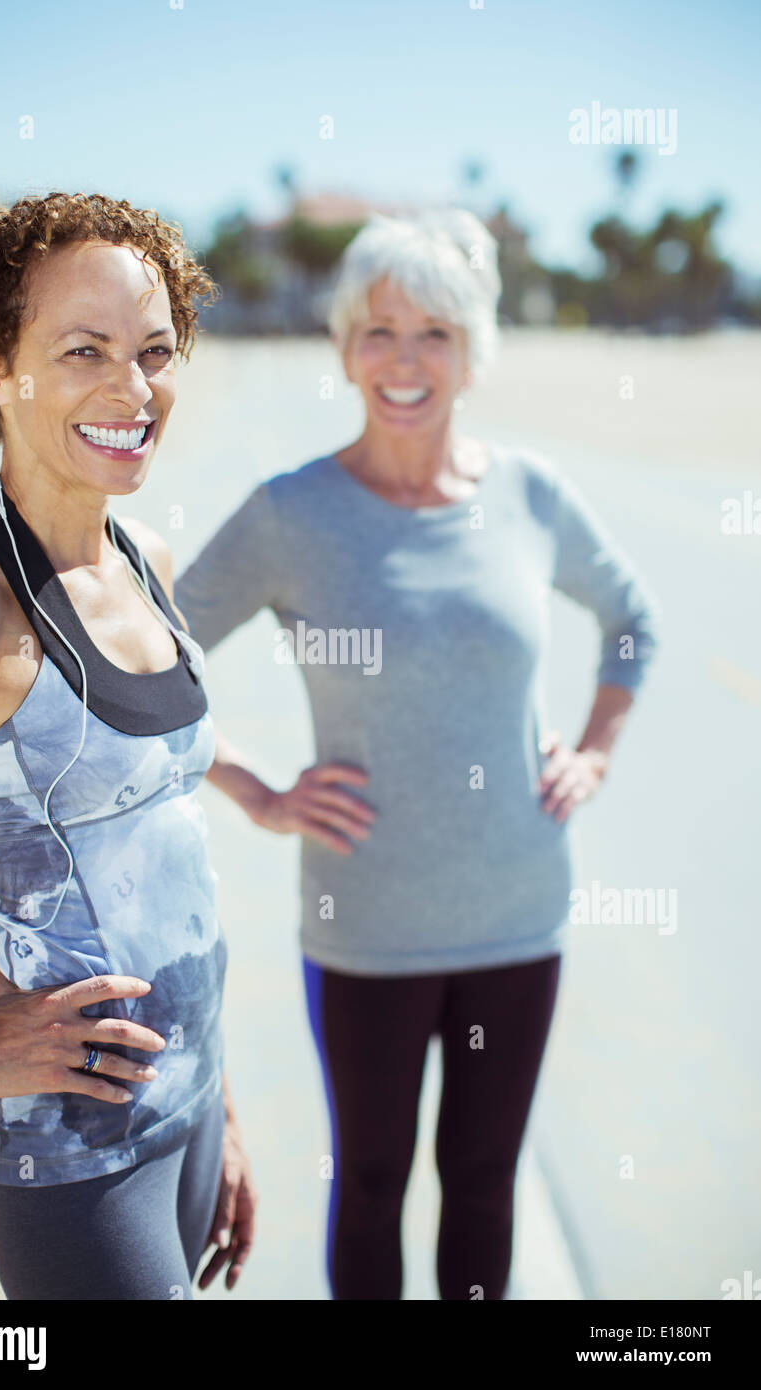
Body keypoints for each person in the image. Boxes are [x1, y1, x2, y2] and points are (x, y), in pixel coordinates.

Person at [173, 209, 662, 1300]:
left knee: (482, 1182)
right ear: (345, 347)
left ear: (472, 350)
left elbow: (631, 615)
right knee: (374, 1181)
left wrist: (593, 751)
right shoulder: (289, 514)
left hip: (514, 919)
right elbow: (143, 665)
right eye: (378, 329)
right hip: (366, 930)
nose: (403, 358)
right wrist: (253, 790)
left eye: (433, 332)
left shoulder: (528, 494)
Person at [0, 191, 255, 1300]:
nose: (132, 389)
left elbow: (164, 850)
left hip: (188, 1108)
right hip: (68, 1149)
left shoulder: (140, 550)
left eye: (154, 350)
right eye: (85, 350)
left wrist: (221, 1107)